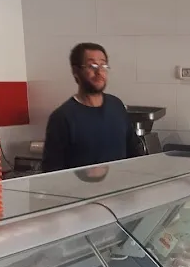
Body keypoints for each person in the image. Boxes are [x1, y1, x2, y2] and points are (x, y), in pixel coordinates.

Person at [41, 43, 141, 172]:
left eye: (103, 65)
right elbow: (52, 171)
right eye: (92, 66)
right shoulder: (62, 118)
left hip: (120, 183)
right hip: (81, 185)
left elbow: (134, 153)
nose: (99, 72)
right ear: (76, 71)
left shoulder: (116, 106)